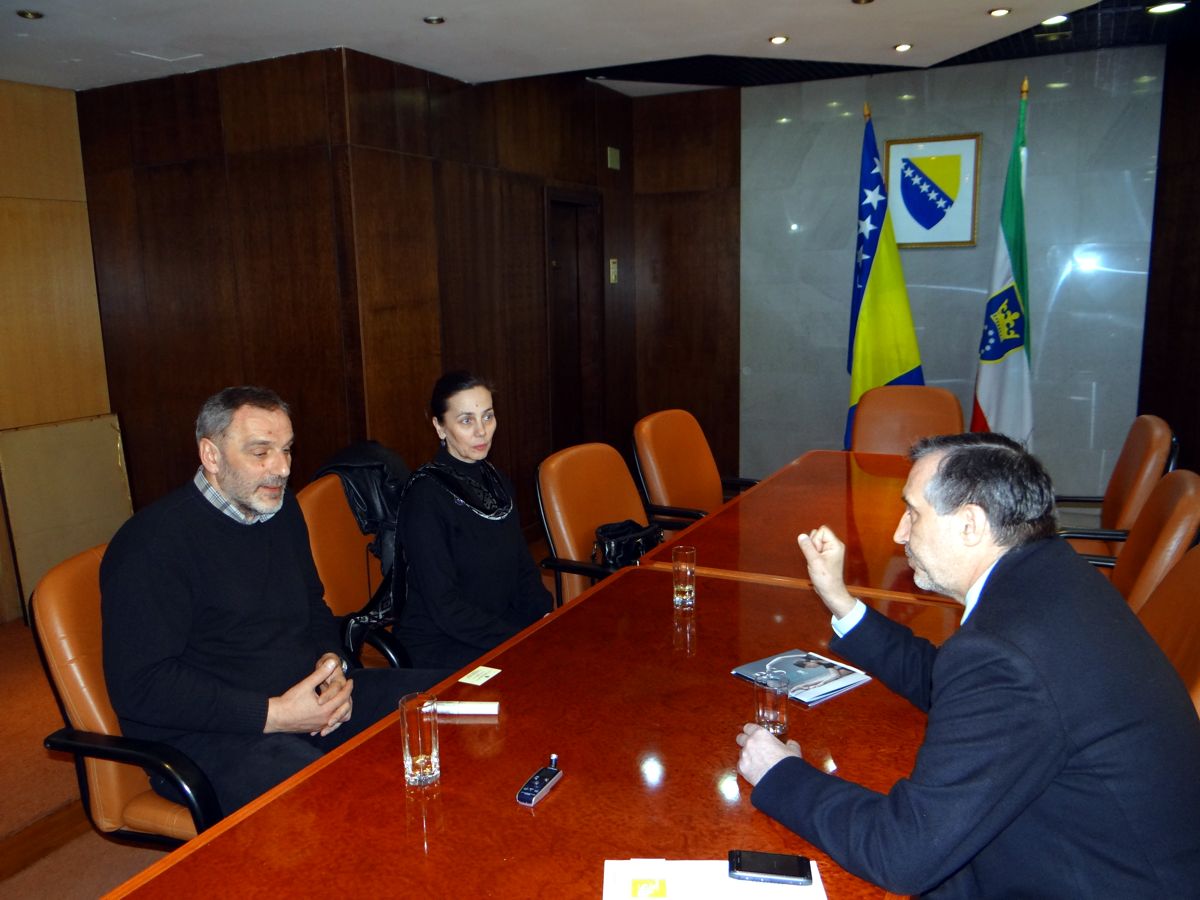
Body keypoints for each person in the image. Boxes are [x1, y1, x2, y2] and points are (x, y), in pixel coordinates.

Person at [735, 433, 1200, 897]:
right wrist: (841, 602)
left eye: (913, 512)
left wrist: (780, 774)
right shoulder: (1054, 576)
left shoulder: (1006, 650)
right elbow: (953, 684)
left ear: (970, 524)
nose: (899, 533)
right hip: (1080, 844)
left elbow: (902, 853)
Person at [102, 386, 447, 816]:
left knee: (452, 703)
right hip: (213, 734)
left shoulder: (280, 510)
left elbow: (313, 605)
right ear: (211, 456)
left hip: (303, 699)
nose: (281, 468)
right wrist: (276, 715)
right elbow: (141, 687)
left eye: (286, 450)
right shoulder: (151, 546)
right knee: (345, 805)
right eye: (261, 452)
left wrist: (332, 666)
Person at [396, 371, 553, 669]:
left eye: (488, 417)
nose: (482, 431)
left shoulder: (496, 480)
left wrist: (545, 617)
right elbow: (445, 607)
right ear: (440, 427)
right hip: (443, 642)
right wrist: (519, 639)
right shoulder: (425, 497)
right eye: (466, 420)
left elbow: (522, 566)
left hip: (496, 624)